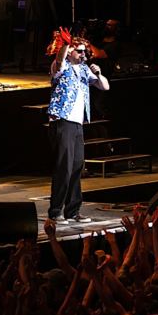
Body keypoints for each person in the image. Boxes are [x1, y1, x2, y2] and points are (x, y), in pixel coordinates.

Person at [45, 30, 109, 226]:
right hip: (62, 121)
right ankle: (55, 212)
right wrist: (66, 44)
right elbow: (60, 57)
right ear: (71, 51)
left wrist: (98, 73)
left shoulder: (83, 70)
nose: (83, 55)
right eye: (79, 51)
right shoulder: (60, 67)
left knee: (76, 167)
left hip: (77, 124)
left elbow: (105, 87)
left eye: (84, 52)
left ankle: (73, 211)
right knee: (63, 168)